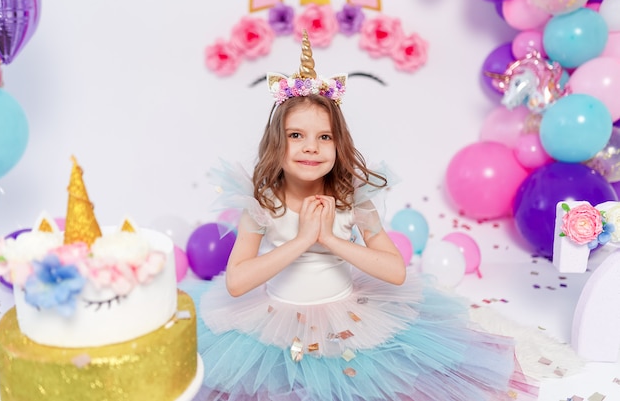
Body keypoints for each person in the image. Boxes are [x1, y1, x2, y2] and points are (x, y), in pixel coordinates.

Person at [183, 30, 539, 401]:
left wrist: (331, 240)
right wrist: (303, 240)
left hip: (347, 317)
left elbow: (395, 271)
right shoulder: (263, 203)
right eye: (296, 135)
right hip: (275, 318)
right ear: (278, 142)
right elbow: (237, 282)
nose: (311, 147)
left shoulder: (352, 200)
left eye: (324, 137)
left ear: (339, 143)